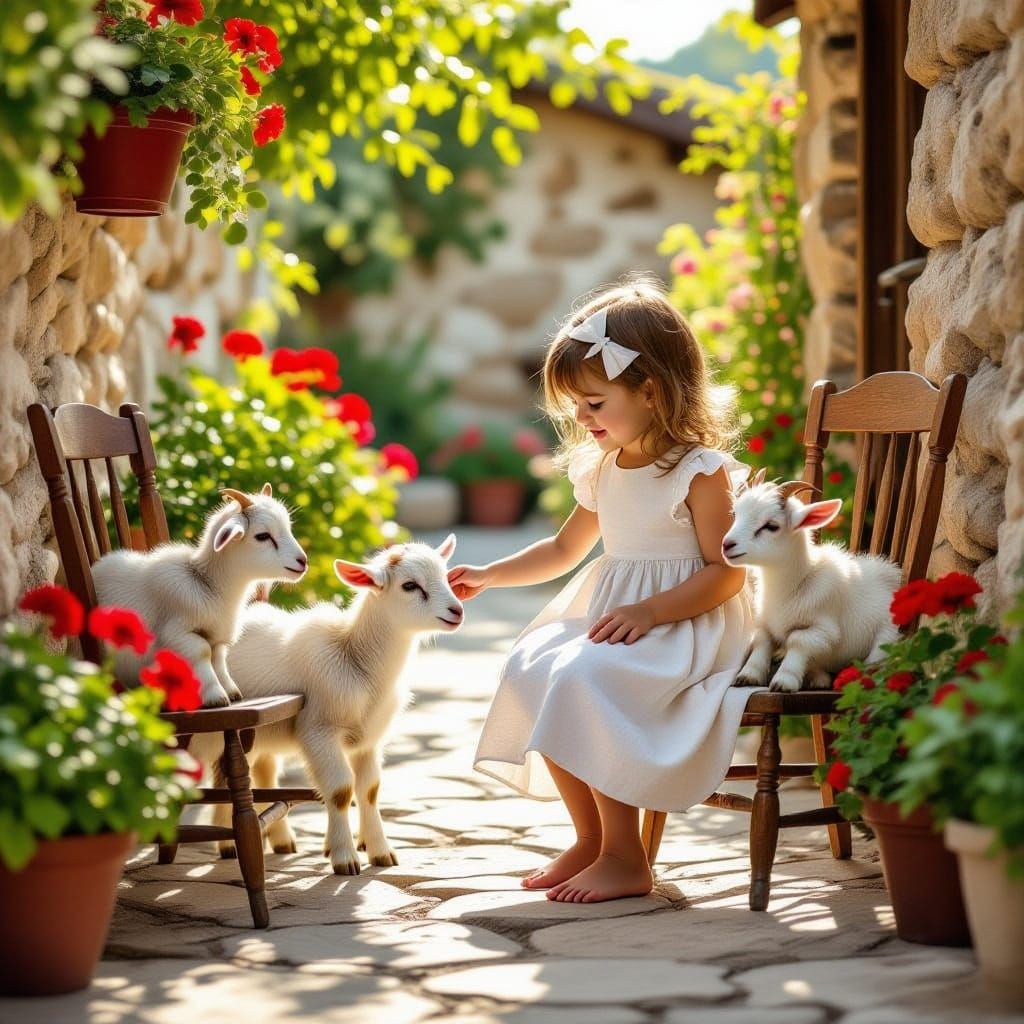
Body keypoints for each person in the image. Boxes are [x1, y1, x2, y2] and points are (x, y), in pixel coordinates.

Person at [448, 276, 757, 903]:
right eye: (576, 408)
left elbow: (727, 572)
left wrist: (650, 610)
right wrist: (488, 573)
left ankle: (626, 856)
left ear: (649, 389)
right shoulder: (603, 465)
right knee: (535, 661)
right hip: (627, 620)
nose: (583, 420)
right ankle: (591, 838)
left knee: (583, 677)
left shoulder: (699, 472)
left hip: (686, 625)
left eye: (594, 403)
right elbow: (562, 551)